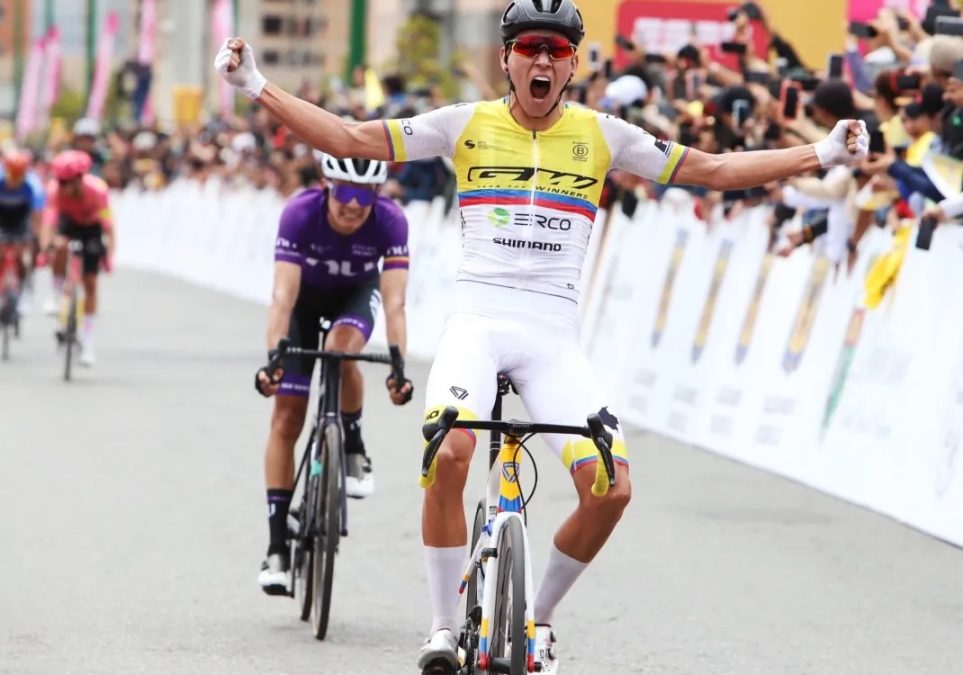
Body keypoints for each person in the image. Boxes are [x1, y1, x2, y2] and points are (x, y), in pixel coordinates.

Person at [215, 0, 868, 670]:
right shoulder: (463, 124)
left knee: (612, 487)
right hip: (478, 323)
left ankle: (540, 618)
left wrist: (819, 150)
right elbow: (351, 139)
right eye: (529, 47)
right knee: (450, 451)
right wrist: (254, 85)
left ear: (573, 64)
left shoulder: (604, 134)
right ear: (506, 58)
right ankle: (442, 625)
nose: (542, 60)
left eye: (557, 51)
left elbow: (713, 170)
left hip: (553, 336)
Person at [252, 153, 414, 595]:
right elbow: (282, 298)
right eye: (345, 192)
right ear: (327, 185)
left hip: (353, 299)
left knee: (341, 352)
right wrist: (274, 357)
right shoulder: (300, 213)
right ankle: (277, 546)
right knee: (287, 418)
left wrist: (398, 365)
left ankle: (353, 444)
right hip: (303, 303)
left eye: (366, 196)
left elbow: (395, 304)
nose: (354, 205)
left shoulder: (390, 222)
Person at [43, 150, 114, 367]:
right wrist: (46, 247)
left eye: (68, 182)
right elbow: (49, 221)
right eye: (61, 182)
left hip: (92, 227)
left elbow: (109, 226)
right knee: (61, 245)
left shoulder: (98, 190)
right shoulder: (56, 191)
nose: (64, 187)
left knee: (91, 282)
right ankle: (55, 295)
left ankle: (88, 342)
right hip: (69, 223)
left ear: (80, 179)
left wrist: (109, 254)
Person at [0, 150, 46, 314]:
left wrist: (36, 238)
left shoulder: (33, 185)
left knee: (21, 253)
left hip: (21, 218)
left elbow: (37, 216)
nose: (14, 180)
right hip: (3, 216)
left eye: (19, 175)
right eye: (12, 175)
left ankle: (24, 289)